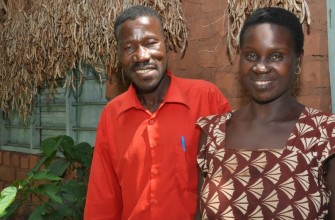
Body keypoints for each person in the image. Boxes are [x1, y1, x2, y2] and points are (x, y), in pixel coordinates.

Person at [196, 7, 335, 219]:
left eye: (276, 56)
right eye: (251, 55)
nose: (261, 67)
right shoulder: (212, 132)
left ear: (298, 60)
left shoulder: (332, 136)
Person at [84, 5, 231, 220]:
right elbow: (103, 198)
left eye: (150, 43)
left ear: (166, 44)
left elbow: (231, 180)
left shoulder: (208, 99)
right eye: (129, 48)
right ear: (119, 55)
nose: (141, 56)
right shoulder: (111, 115)